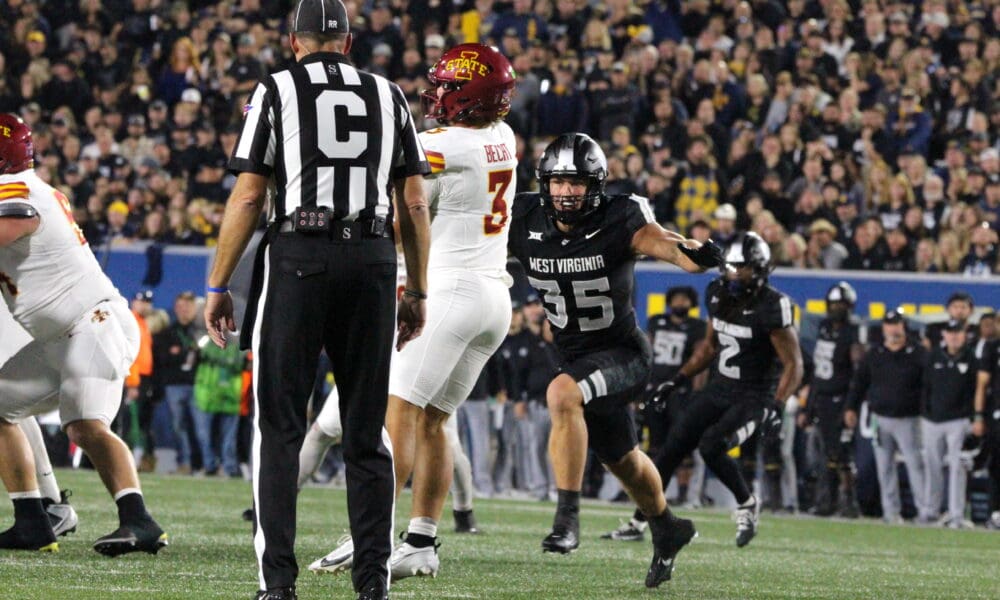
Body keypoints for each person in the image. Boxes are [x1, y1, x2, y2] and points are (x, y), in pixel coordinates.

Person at [201, 1, 432, 598]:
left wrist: (219, 283)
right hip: (375, 260)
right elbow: (414, 204)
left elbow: (249, 197)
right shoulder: (391, 95)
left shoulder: (275, 89)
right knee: (365, 431)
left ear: (293, 42)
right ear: (349, 43)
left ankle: (277, 585)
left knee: (279, 428)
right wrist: (417, 287)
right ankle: (372, 584)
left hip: (300, 256)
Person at [307, 42, 518, 583]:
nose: (438, 95)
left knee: (397, 409)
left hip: (449, 291)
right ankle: (421, 539)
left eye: (448, 87)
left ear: (472, 96)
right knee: (434, 422)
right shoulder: (502, 137)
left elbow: (405, 218)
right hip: (493, 297)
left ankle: (369, 531)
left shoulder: (445, 144)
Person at [507, 132, 724, 589]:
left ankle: (567, 517)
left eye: (577, 182)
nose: (567, 191)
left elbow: (664, 242)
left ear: (597, 185)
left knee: (562, 392)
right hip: (577, 357)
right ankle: (667, 527)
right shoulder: (520, 214)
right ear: (544, 182)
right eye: (559, 181)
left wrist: (694, 256)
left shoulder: (621, 215)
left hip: (623, 354)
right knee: (624, 461)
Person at [0, 113, 167, 555]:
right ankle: (32, 520)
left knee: (85, 426)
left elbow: (10, 224)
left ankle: (140, 520)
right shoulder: (31, 187)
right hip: (56, 338)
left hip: (91, 322)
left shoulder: (18, 189)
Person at [642, 233, 803, 548]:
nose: (733, 273)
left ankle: (746, 504)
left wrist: (778, 405)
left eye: (741, 268)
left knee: (712, 446)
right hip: (721, 386)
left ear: (758, 269)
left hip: (754, 394)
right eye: (730, 267)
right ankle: (641, 517)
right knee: (675, 442)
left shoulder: (773, 305)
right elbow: (708, 348)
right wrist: (677, 380)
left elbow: (794, 364)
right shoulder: (718, 293)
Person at [603, 285, 707, 542]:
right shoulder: (656, 321)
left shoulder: (696, 327)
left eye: (685, 299)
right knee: (653, 446)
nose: (679, 302)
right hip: (654, 389)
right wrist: (639, 390)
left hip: (679, 393)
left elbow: (700, 359)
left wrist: (695, 393)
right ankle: (646, 503)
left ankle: (681, 494)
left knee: (678, 448)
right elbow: (645, 353)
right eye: (676, 298)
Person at [845, 309, 933, 524]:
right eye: (889, 324)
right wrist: (850, 408)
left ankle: (925, 511)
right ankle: (890, 512)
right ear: (884, 327)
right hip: (880, 418)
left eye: (897, 324)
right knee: (884, 467)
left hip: (910, 419)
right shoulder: (875, 353)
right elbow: (860, 383)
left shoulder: (918, 352)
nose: (893, 328)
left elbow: (929, 385)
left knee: (916, 465)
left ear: (903, 326)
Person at [800, 282, 865, 517]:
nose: (836, 308)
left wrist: (851, 406)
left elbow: (858, 373)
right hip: (823, 398)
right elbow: (818, 372)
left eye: (841, 304)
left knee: (841, 454)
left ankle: (849, 502)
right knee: (826, 454)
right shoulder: (825, 327)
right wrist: (807, 408)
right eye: (833, 303)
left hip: (841, 399)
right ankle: (827, 500)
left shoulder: (853, 331)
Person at [921, 319, 977, 528]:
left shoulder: (971, 358)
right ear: (944, 334)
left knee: (957, 467)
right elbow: (924, 386)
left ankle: (956, 514)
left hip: (958, 420)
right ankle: (930, 511)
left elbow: (975, 389)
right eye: (950, 332)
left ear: (964, 335)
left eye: (958, 333)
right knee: (932, 465)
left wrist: (971, 417)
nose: (954, 337)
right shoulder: (934, 356)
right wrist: (925, 412)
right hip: (932, 419)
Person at [152, 290, 201, 474]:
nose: (184, 310)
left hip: (198, 385)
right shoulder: (169, 332)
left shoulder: (200, 330)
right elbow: (163, 357)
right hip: (174, 385)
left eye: (188, 306)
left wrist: (177, 353)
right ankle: (185, 462)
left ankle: (202, 463)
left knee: (200, 428)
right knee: (178, 426)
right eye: (180, 306)